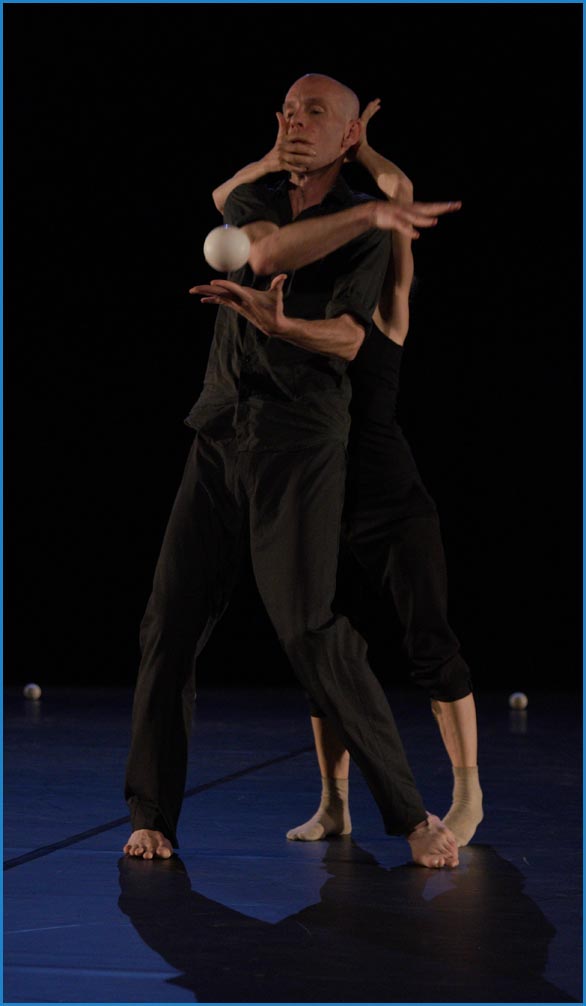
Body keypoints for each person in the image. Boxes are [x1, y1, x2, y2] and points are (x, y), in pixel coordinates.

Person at [123, 73, 461, 868]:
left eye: (316, 112)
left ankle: (409, 814)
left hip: (302, 440)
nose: (296, 120)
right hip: (220, 431)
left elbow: (351, 338)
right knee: (167, 623)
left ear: (349, 136)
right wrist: (364, 211)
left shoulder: (369, 227)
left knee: (308, 627)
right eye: (288, 109)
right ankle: (152, 815)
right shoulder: (260, 197)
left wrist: (286, 324)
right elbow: (266, 248)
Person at [204, 97, 482, 848]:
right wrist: (276, 158)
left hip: (385, 495)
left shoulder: (384, 310)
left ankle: (468, 795)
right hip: (315, 486)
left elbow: (398, 195)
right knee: (320, 649)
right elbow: (227, 197)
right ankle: (334, 802)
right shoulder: (305, 297)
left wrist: (361, 149)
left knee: (430, 643)